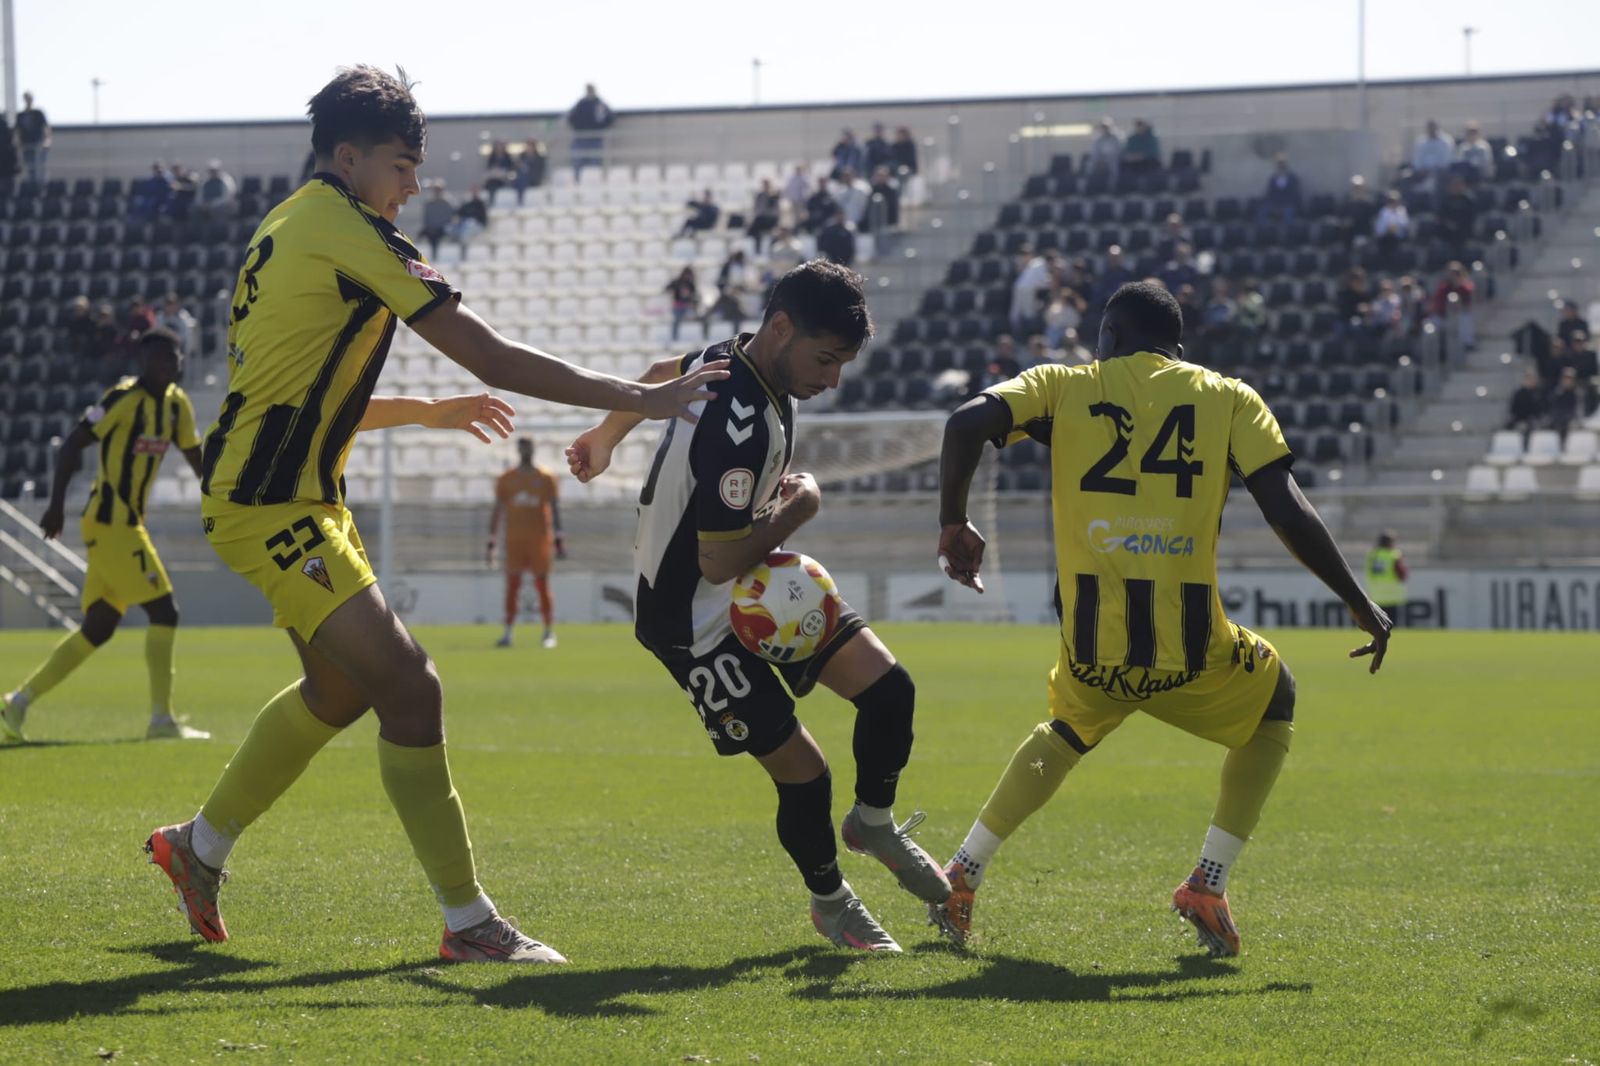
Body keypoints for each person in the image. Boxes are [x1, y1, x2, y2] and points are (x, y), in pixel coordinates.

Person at [141, 65, 726, 966]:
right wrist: (641, 398)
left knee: (340, 691)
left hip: (291, 496)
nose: (415, 185)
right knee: (412, 688)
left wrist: (426, 413)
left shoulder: (289, 225)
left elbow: (291, 395)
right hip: (272, 506)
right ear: (349, 156)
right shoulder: (347, 228)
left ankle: (197, 848)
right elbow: (487, 352)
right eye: (402, 165)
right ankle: (468, 923)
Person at [930, 281, 1392, 957]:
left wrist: (953, 522)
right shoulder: (1229, 398)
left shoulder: (1065, 385)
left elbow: (965, 423)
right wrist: (1356, 597)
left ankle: (963, 872)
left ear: (1110, 337)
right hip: (1192, 651)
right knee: (1277, 697)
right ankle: (1207, 881)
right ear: (1177, 347)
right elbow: (1285, 507)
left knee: (1065, 729)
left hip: (1091, 645)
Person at [565, 259, 950, 953]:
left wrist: (605, 436)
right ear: (780, 327)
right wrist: (800, 507)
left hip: (750, 588)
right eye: (825, 359)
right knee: (805, 772)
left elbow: (658, 372)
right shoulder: (740, 427)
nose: (831, 379)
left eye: (841, 364)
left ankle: (873, 822)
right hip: (692, 622)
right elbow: (717, 558)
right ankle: (832, 901)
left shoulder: (727, 355)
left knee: (891, 692)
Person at [2, 330, 210, 745]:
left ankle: (17, 702)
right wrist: (56, 504)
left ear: (180, 363)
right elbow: (73, 445)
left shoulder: (176, 406)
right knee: (165, 611)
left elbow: (194, 457)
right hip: (110, 523)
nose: (164, 366)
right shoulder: (122, 399)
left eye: (171, 359)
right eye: (156, 359)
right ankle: (161, 719)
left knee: (98, 628)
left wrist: (223, 494)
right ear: (142, 361)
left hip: (125, 524)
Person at [489, 437, 563, 649]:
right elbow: (497, 509)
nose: (525, 450)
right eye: (522, 446)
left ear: (533, 448)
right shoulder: (506, 479)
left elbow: (555, 507)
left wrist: (559, 537)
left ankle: (548, 632)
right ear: (518, 449)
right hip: (513, 540)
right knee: (513, 585)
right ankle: (508, 632)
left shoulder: (546, 477)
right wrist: (491, 539)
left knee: (542, 584)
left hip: (539, 539)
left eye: (528, 446)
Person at [566, 83, 613, 178]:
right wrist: (578, 128)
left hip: (595, 138)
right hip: (580, 138)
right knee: (577, 164)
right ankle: (577, 185)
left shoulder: (600, 103)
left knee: (594, 166)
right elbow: (570, 117)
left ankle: (592, 184)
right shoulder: (580, 103)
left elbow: (610, 117)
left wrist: (600, 127)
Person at [1364, 532, 1408, 624]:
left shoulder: (1373, 556)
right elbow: (1402, 575)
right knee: (1392, 623)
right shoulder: (1394, 555)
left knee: (1379, 624)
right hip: (1391, 595)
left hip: (1376, 595)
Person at [1506, 368, 1547, 446]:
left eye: (1533, 378)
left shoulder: (1540, 393)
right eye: (1528, 378)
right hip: (1520, 420)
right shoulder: (1518, 394)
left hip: (1535, 421)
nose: (1531, 380)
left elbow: (1542, 411)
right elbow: (1513, 410)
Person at [16, 90, 50, 185]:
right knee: (30, 167)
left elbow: (45, 127)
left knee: (40, 166)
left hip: (38, 143)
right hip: (26, 144)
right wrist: (19, 144)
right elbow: (18, 131)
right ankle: (33, 185)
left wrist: (47, 141)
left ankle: (42, 185)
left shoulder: (38, 113)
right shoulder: (20, 115)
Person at [1258, 155, 1302, 225]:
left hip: (1288, 203)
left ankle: (1287, 231)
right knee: (1262, 211)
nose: (1281, 166)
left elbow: (1294, 193)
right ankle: (1262, 230)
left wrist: (1284, 204)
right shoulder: (1273, 178)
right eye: (1279, 164)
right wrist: (1274, 204)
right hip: (1274, 203)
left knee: (1288, 214)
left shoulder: (1292, 178)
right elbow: (1269, 192)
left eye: (1282, 163)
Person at [666, 266, 700, 342]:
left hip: (687, 307)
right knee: (677, 320)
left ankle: (692, 338)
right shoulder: (677, 282)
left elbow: (694, 296)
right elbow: (667, 288)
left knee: (694, 317)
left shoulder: (691, 284)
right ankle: (675, 338)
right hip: (678, 306)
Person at [747, 179, 781, 252]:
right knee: (755, 230)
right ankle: (758, 251)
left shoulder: (774, 196)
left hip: (770, 220)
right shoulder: (760, 196)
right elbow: (756, 208)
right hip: (761, 220)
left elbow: (775, 212)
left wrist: (764, 212)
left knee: (756, 225)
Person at [513, 140, 547, 205]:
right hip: (523, 178)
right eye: (528, 146)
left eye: (530, 146)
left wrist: (528, 170)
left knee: (522, 180)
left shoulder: (539, 158)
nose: (529, 148)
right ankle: (519, 199)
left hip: (534, 179)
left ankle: (520, 199)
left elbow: (540, 171)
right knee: (519, 180)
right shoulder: (522, 156)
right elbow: (516, 168)